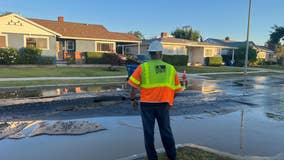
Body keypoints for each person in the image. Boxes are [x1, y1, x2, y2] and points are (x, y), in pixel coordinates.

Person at [128, 41, 182, 160]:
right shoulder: (170, 68)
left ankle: (152, 158)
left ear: (150, 54)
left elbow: (133, 87)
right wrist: (170, 102)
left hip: (147, 105)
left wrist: (132, 99)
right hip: (164, 105)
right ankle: (172, 156)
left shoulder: (143, 67)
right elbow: (177, 90)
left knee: (148, 133)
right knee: (166, 131)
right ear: (161, 54)